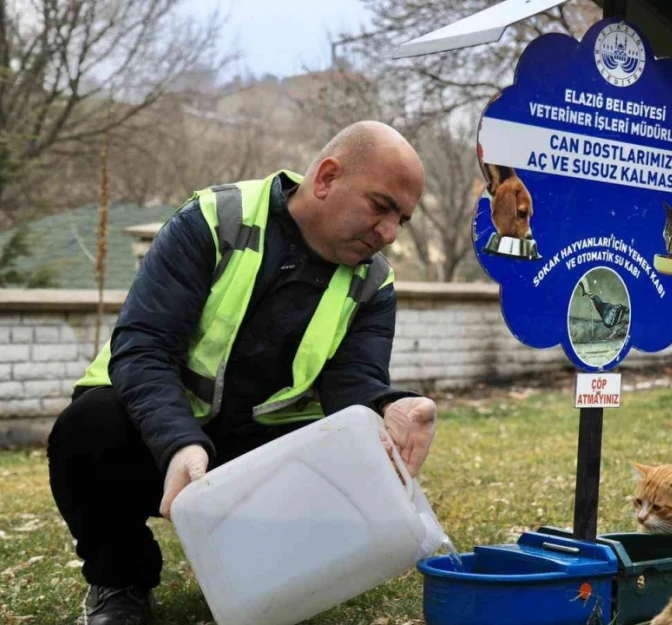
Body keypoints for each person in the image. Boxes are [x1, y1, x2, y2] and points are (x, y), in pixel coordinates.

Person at [47, 121, 437, 625]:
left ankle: (262, 578)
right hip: (163, 438)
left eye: (400, 220)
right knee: (87, 429)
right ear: (326, 178)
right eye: (381, 206)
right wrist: (178, 443)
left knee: (352, 455)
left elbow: (354, 382)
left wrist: (391, 405)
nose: (387, 233)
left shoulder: (375, 283)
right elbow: (143, 348)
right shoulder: (213, 220)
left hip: (265, 454)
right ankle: (120, 582)